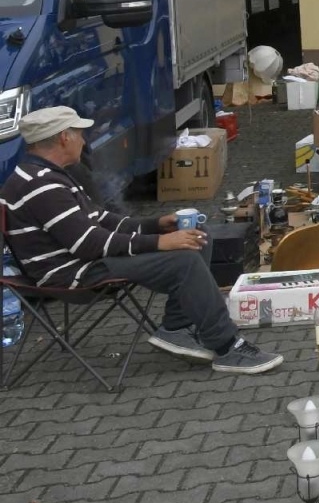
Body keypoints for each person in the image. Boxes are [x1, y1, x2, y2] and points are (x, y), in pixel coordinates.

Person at [0, 107, 282, 374]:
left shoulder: (49, 176)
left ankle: (177, 328)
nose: (83, 141)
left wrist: (155, 224)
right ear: (64, 138)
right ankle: (227, 346)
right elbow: (88, 243)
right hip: (72, 274)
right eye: (80, 133)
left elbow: (101, 219)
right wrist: (160, 242)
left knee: (198, 238)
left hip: (81, 261)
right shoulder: (41, 185)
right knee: (182, 258)